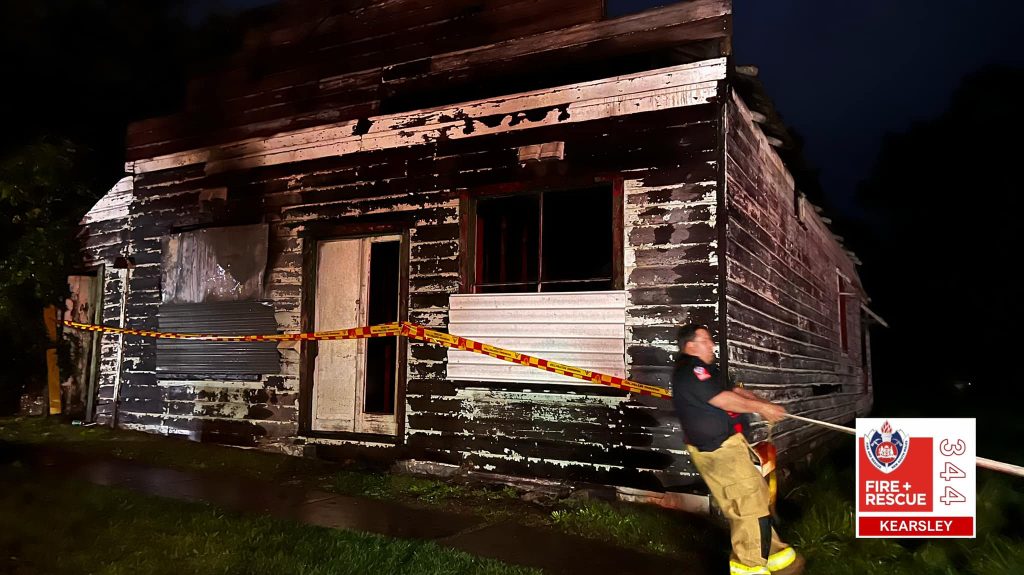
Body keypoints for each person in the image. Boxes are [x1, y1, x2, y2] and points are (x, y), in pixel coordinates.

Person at [672, 323, 805, 575]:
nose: (712, 344)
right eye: (706, 340)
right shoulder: (692, 371)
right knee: (747, 503)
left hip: (728, 445)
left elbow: (734, 391)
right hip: (718, 450)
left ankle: (776, 556)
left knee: (753, 498)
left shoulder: (709, 371)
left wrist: (763, 403)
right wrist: (763, 410)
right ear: (690, 346)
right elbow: (723, 400)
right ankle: (749, 566)